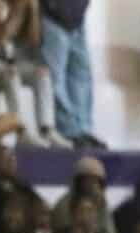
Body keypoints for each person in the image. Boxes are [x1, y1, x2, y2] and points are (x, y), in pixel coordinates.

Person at [0, 0, 70, 148]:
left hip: (7, 62)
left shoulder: (17, 6)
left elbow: (33, 41)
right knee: (11, 73)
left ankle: (47, 128)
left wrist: (31, 12)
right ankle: (20, 131)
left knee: (42, 73)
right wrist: (4, 18)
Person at [39, 0, 104, 149]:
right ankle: (69, 132)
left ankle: (83, 130)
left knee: (81, 76)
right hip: (52, 16)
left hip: (77, 16)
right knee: (55, 78)